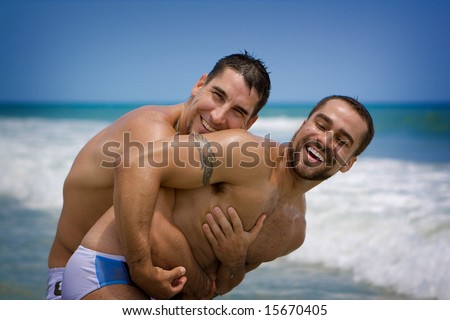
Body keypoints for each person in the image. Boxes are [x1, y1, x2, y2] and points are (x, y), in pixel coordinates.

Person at [61, 95, 375, 300]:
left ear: (348, 163)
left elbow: (218, 287)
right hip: (112, 269)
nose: (324, 140)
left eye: (342, 141)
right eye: (321, 124)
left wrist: (235, 257)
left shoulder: (294, 231)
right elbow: (136, 163)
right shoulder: (246, 153)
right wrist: (142, 267)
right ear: (304, 124)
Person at [47, 52, 271, 300]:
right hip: (83, 276)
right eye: (217, 96)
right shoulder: (152, 129)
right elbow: (156, 230)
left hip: (142, 279)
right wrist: (204, 287)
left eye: (237, 111)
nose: (218, 116)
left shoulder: (206, 157)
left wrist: (235, 258)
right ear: (199, 85)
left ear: (249, 124)